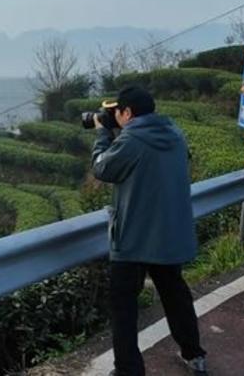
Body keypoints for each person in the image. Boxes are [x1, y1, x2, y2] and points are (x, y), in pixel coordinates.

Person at [92, 85, 207, 376]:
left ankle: (129, 370)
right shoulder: (175, 133)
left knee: (123, 306)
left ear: (127, 113)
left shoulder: (131, 140)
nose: (115, 117)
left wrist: (103, 134)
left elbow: (102, 169)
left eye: (117, 112)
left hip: (133, 237)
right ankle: (194, 355)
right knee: (175, 295)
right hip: (168, 234)